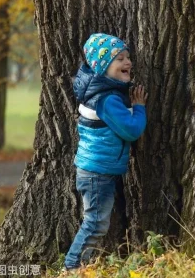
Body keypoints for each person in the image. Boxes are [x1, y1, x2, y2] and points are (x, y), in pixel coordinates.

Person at [64, 33, 148, 270]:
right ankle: (72, 267)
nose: (128, 62)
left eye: (128, 56)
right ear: (102, 66)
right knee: (95, 224)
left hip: (96, 169)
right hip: (97, 173)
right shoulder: (107, 99)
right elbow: (131, 130)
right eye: (120, 58)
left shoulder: (101, 92)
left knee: (96, 222)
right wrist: (139, 107)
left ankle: (78, 265)